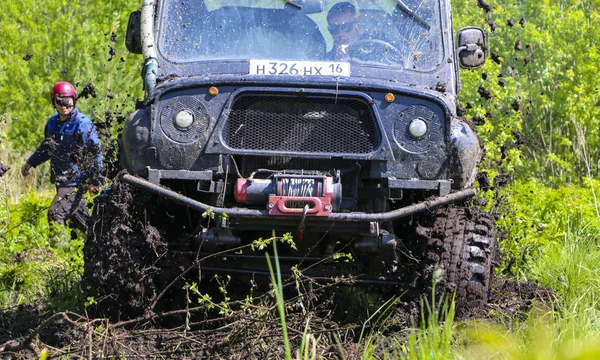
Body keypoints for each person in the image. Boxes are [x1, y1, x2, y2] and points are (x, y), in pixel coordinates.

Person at [21, 81, 102, 233]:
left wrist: (95, 180)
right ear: (54, 102)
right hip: (60, 179)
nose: (64, 105)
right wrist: (31, 162)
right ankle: (99, 247)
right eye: (60, 101)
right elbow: (47, 147)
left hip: (75, 182)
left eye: (68, 102)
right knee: (84, 224)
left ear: (74, 100)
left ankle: (58, 254)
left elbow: (95, 152)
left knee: (55, 213)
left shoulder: (82, 124)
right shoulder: (52, 123)